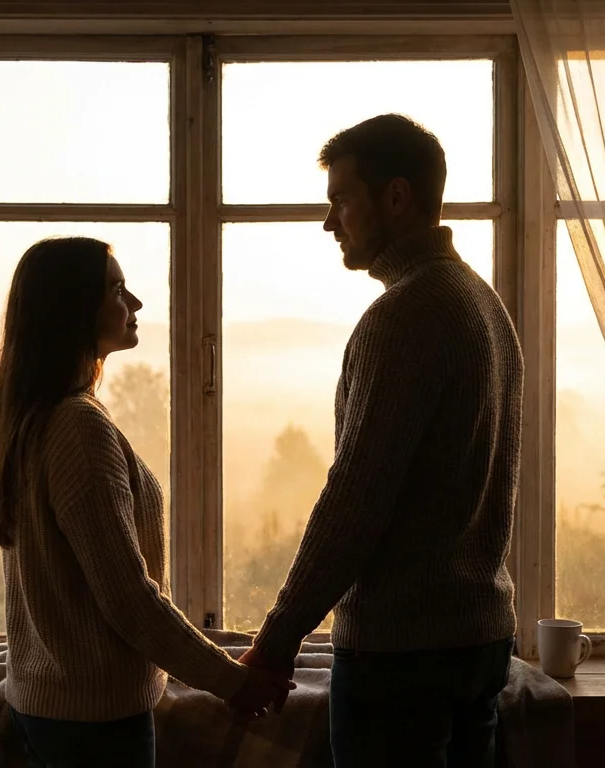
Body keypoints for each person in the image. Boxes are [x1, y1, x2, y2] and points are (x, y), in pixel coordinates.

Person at [239, 114, 525, 767]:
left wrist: (278, 639)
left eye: (341, 200)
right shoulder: (482, 303)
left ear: (395, 197)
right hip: (478, 640)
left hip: (403, 655)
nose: (329, 222)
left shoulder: (403, 316)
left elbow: (355, 502)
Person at [0, 236, 294, 768]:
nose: (137, 304)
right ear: (74, 309)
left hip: (47, 708)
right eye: (118, 290)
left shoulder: (35, 416)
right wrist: (231, 682)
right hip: (93, 725)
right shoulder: (78, 427)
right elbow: (128, 599)